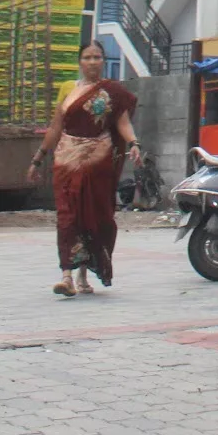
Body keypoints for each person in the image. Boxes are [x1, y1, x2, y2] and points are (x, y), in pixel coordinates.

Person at [28, 41, 140, 296]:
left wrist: (134, 143)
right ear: (80, 61)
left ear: (103, 61)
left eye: (97, 57)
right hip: (66, 159)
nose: (92, 62)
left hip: (97, 161)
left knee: (94, 216)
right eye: (87, 57)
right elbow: (56, 127)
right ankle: (66, 275)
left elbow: (122, 123)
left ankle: (82, 276)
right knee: (67, 216)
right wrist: (38, 158)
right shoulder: (69, 90)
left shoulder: (112, 92)